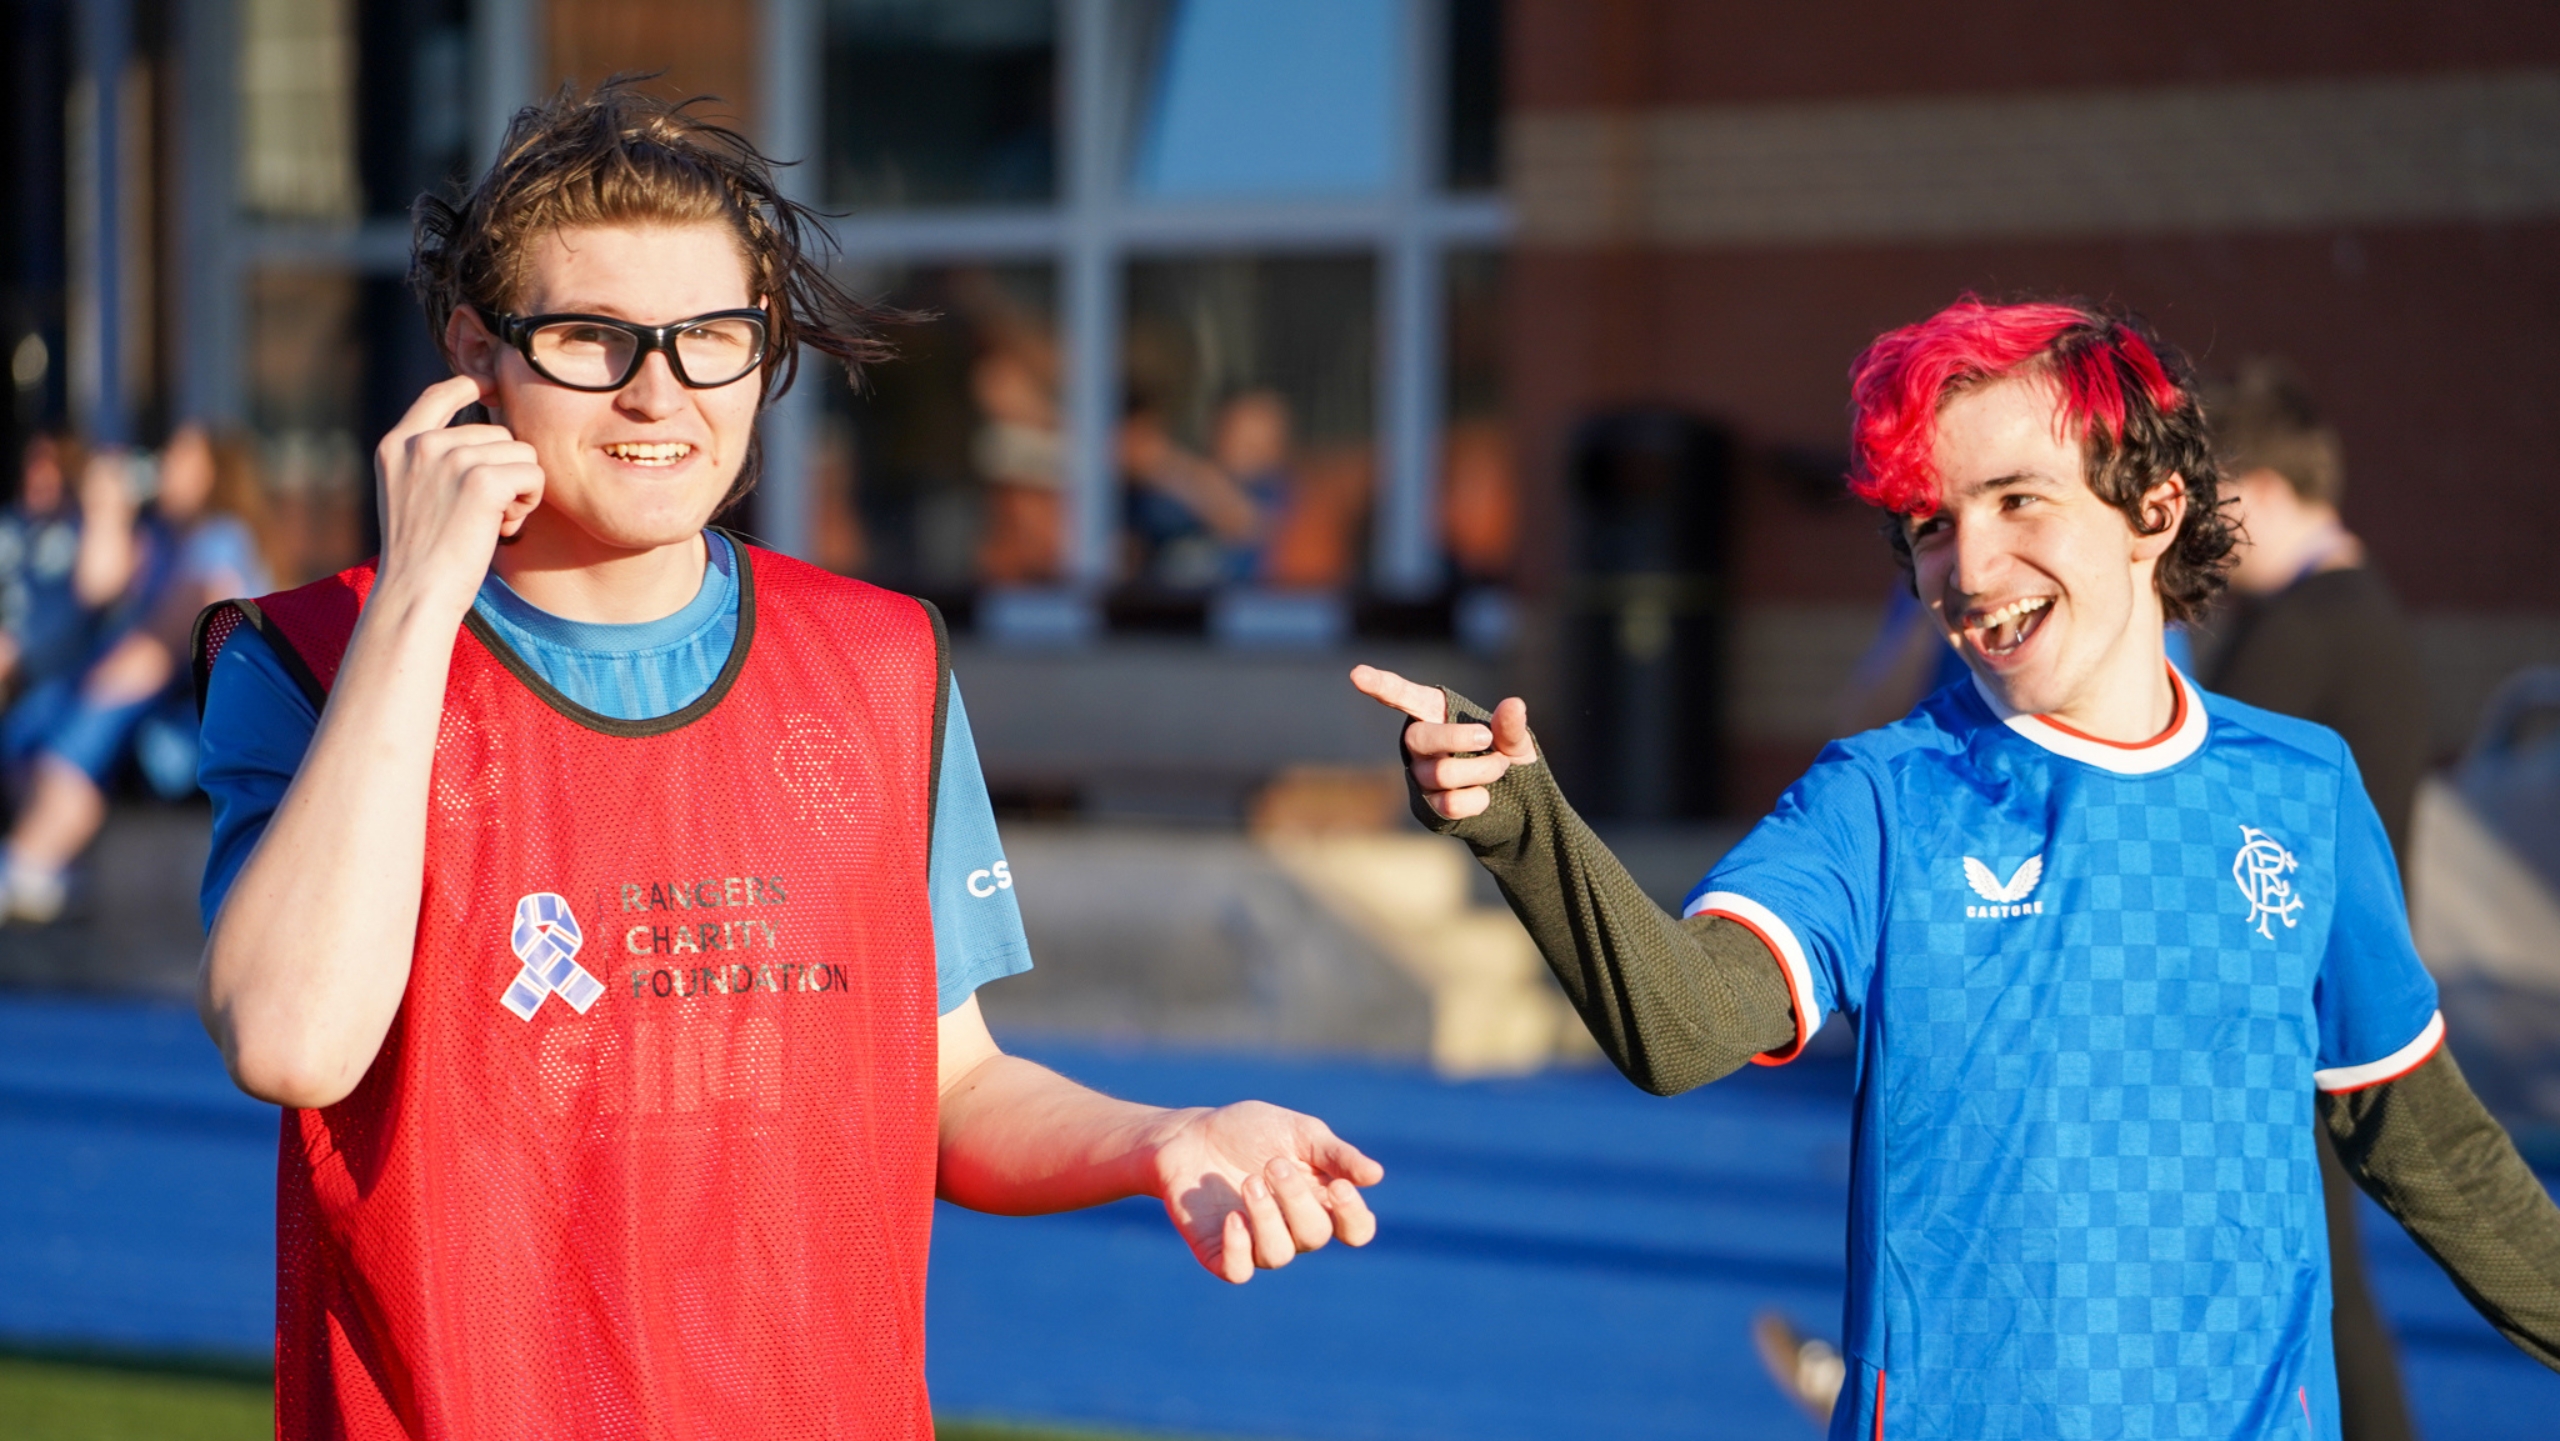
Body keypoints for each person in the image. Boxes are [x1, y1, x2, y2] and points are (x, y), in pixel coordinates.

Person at [192, 83, 1381, 1440]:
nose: (660, 393)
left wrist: (1160, 1136)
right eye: (591, 339)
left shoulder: (879, 665)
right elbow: (291, 1040)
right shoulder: (306, 657)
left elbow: (950, 1086)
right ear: (477, 355)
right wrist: (415, 602)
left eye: (711, 340)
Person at [1353, 298, 2560, 1438]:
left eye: (2017, 501)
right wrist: (1521, 819)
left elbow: (2428, 1145)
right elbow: (1678, 1023)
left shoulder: (2298, 789)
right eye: (1932, 523)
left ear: (2153, 509)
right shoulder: (1881, 797)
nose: (1968, 570)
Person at [2206, 360, 2432, 1441]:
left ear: (2259, 486)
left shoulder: (2303, 625)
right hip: (2329, 978)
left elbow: (2188, 773)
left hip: (2287, 987)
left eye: (2213, 504)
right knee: (2312, 1269)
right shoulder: (2360, 605)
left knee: (2315, 1279)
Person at [0, 427, 270, 920]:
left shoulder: (221, 539)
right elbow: (97, 589)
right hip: (163, 712)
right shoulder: (164, 538)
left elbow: (150, 658)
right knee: (38, 717)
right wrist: (107, 512)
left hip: (208, 727)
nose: (163, 465)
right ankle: (38, 859)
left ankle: (32, 859)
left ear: (214, 473)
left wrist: (92, 687)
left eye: (178, 457)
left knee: (102, 705)